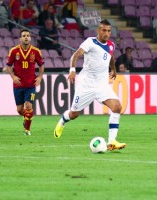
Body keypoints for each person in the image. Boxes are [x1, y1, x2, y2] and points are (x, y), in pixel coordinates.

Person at [53, 19, 126, 151]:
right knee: (74, 114)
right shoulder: (90, 42)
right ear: (98, 30)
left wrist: (113, 69)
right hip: (86, 85)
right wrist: (72, 70)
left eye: (109, 31)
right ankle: (62, 121)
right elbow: (75, 56)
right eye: (104, 30)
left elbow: (111, 57)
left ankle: (112, 141)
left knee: (117, 107)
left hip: (102, 85)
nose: (107, 33)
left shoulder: (111, 45)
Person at [6, 29, 45, 135]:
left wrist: (40, 77)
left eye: (28, 35)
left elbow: (41, 65)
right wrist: (13, 76)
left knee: (28, 106)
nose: (26, 37)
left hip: (30, 85)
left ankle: (27, 130)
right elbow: (8, 66)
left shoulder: (36, 51)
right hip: (18, 85)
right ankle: (26, 119)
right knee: (19, 110)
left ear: (30, 38)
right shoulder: (14, 51)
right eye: (24, 36)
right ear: (20, 38)